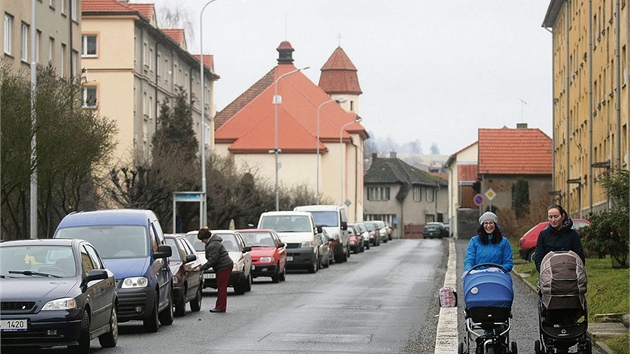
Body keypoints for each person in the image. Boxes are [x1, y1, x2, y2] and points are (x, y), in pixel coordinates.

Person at [534, 204, 586, 273]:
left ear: (563, 216)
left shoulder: (572, 234)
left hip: (570, 274)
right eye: (550, 217)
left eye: (556, 216)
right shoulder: (543, 235)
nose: (553, 220)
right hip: (549, 274)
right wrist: (542, 272)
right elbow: (538, 256)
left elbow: (580, 257)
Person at [194, 228, 234, 313]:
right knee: (221, 287)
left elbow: (212, 260)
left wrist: (201, 268)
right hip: (224, 266)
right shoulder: (213, 243)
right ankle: (220, 306)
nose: (202, 241)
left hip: (224, 266)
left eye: (202, 239)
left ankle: (221, 307)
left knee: (221, 288)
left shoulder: (213, 245)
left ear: (206, 238)